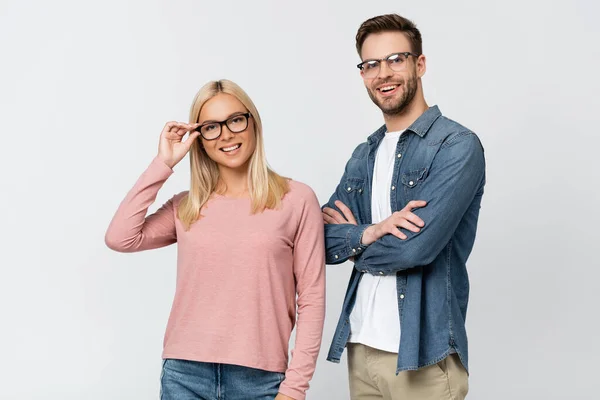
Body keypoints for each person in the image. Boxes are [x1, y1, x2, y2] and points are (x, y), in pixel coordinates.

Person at [105, 79, 325, 400]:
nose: (226, 134)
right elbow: (120, 237)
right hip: (184, 375)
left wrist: (294, 390)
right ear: (200, 140)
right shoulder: (187, 205)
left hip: (260, 379)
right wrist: (163, 163)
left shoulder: (296, 199)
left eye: (235, 120)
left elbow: (312, 298)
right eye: (211, 127)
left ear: (253, 123)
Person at [321, 14, 486, 400]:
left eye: (396, 59)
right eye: (371, 64)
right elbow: (322, 240)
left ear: (420, 64)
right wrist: (370, 232)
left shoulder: (457, 146)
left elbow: (416, 247)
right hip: (360, 346)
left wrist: (355, 245)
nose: (383, 73)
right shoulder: (364, 155)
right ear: (362, 74)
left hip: (421, 356)